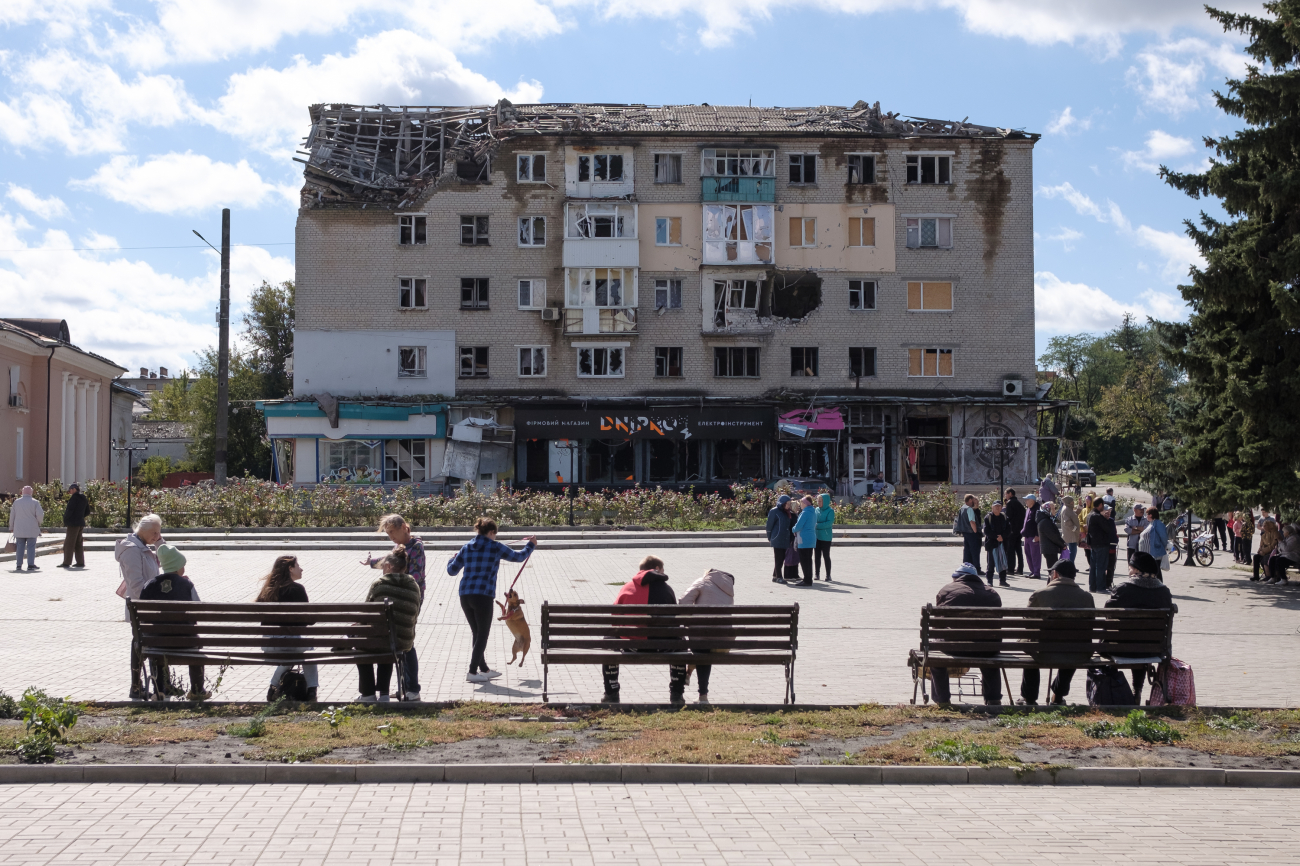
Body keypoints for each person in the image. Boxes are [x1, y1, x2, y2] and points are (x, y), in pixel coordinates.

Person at [446, 517, 537, 683]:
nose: (495, 537)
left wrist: (452, 559)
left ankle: (484, 669)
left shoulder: (467, 547)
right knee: (483, 634)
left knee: (477, 632)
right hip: (483, 595)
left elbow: (451, 571)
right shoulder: (495, 547)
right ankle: (472, 672)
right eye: (495, 534)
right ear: (491, 532)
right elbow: (519, 557)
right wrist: (531, 545)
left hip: (465, 595)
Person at [604, 555, 687, 705]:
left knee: (610, 640)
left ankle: (611, 692)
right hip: (663, 647)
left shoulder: (627, 587)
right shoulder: (667, 589)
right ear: (657, 569)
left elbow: (614, 618)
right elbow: (674, 619)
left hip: (632, 646)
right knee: (680, 642)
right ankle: (676, 694)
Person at [364, 514, 427, 701]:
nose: (391, 537)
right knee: (398, 640)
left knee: (406, 641)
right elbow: (391, 560)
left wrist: (394, 583)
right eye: (388, 533)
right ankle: (405, 687)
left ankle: (412, 688)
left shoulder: (416, 547)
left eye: (392, 532)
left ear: (404, 528)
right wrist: (372, 562)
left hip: (409, 598)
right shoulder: (400, 547)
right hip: (396, 597)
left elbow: (412, 575)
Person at [138, 544, 209, 701]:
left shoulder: (150, 585)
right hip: (186, 641)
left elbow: (143, 615)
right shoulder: (186, 584)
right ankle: (197, 689)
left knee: (157, 649)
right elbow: (198, 609)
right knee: (195, 648)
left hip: (156, 642)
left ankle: (160, 690)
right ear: (178, 566)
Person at [1020, 559, 1094, 705]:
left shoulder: (1039, 595)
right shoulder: (1087, 597)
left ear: (1054, 574)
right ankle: (1058, 695)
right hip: (1076, 652)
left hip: (1042, 651)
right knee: (1074, 644)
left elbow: (1028, 622)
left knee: (1029, 644)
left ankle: (1029, 698)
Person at [1105, 550, 1176, 700]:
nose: (1129, 571)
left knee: (1128, 640)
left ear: (1137, 569)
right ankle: (1137, 690)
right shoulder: (1164, 592)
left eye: (1130, 567)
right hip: (1153, 649)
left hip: (1120, 648)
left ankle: (1112, 689)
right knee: (1141, 643)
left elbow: (1108, 613)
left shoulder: (1123, 589)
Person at [931, 563, 1003, 706]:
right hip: (987, 649)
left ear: (956, 578)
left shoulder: (946, 590)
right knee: (988, 649)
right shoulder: (992, 594)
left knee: (936, 653)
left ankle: (942, 700)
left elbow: (938, 624)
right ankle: (993, 699)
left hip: (954, 647)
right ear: (976, 578)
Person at [355, 548, 421, 702]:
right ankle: (384, 694)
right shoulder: (414, 585)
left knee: (364, 644)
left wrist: (358, 627)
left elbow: (367, 611)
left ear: (390, 567)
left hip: (382, 640)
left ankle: (368, 694)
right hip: (403, 641)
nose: (382, 569)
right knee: (389, 641)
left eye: (383, 565)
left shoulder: (380, 584)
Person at [255, 555, 320, 702]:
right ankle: (311, 691)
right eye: (298, 566)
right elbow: (307, 621)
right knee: (306, 651)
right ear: (290, 569)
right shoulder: (297, 589)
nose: (301, 569)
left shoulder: (267, 591)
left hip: (268, 645)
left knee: (294, 651)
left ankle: (272, 689)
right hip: (290, 643)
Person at [116, 513, 164, 699]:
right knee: (140, 644)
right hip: (141, 607)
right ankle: (136, 685)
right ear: (142, 531)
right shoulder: (132, 550)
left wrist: (159, 543)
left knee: (147, 644)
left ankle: (158, 685)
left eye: (159, 533)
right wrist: (150, 602)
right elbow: (135, 584)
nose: (156, 536)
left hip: (150, 605)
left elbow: (166, 559)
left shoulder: (145, 546)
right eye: (154, 533)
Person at [677, 567, 735, 703]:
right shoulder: (729, 591)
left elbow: (683, 602)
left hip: (701, 636)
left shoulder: (702, 582)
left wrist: (690, 620)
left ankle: (690, 680)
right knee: (704, 651)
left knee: (700, 645)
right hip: (724, 641)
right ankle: (702, 695)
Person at [8, 485, 44, 572]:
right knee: (31, 547)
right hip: (32, 528)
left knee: (20, 547)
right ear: (31, 492)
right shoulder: (35, 502)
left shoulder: (17, 502)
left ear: (22, 492)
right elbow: (40, 515)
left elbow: (12, 516)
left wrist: (11, 527)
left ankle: (18, 565)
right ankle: (31, 564)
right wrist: (39, 523)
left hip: (19, 528)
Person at [1084, 499, 1112, 593]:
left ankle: (1092, 587)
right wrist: (1106, 519)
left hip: (1093, 544)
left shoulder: (1090, 514)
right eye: (1103, 505)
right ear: (1100, 505)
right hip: (1101, 544)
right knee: (1101, 566)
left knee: (1093, 566)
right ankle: (1100, 587)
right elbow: (1107, 529)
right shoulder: (1098, 516)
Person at [765, 495, 794, 583]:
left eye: (789, 504)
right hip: (777, 537)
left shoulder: (787, 512)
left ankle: (775, 575)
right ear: (782, 503)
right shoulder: (774, 511)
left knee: (782, 558)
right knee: (778, 558)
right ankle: (779, 577)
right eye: (787, 503)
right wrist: (769, 537)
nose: (788, 505)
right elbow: (769, 525)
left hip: (785, 538)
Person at [60, 483, 89, 569]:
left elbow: (70, 510)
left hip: (73, 524)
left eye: (70, 490)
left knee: (69, 543)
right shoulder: (83, 498)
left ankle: (66, 562)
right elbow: (87, 511)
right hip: (80, 523)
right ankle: (80, 562)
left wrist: (66, 519)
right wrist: (80, 517)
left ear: (74, 489)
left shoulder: (74, 498)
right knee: (78, 543)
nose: (70, 492)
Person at [983, 501, 1010, 586]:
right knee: (991, 564)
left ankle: (1002, 581)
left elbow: (1009, 529)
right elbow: (986, 530)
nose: (997, 508)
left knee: (1003, 562)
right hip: (992, 544)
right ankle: (989, 581)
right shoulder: (988, 517)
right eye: (996, 506)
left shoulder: (1005, 517)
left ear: (1002, 508)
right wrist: (996, 536)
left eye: (999, 506)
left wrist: (1003, 536)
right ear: (992, 507)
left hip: (1002, 543)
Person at [792, 495, 817, 586]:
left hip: (804, 539)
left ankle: (806, 580)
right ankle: (808, 578)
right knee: (808, 560)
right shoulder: (813, 512)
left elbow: (799, 525)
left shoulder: (805, 513)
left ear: (805, 504)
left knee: (804, 560)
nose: (800, 504)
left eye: (801, 502)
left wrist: (793, 529)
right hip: (811, 539)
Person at [1037, 501, 1066, 570]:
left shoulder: (1046, 519)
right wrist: (1062, 544)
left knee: (1053, 571)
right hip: (1049, 549)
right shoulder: (1045, 521)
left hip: (1050, 548)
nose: (1054, 510)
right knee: (1053, 571)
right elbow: (1053, 536)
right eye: (1052, 508)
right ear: (1047, 509)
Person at [1002, 488, 1026, 575]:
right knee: (1018, 549)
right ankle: (1020, 569)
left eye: (1006, 494)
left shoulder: (1010, 503)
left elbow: (1008, 517)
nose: (1005, 496)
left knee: (1010, 549)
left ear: (1010, 494)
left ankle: (1010, 568)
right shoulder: (1019, 503)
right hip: (1019, 529)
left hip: (1012, 530)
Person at [958, 494, 983, 573]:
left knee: (967, 551)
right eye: (972, 500)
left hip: (965, 532)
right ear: (970, 500)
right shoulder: (969, 509)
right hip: (972, 533)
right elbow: (972, 521)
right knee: (975, 551)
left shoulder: (962, 508)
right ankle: (977, 569)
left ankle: (966, 568)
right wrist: (976, 531)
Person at [814, 493, 835, 582]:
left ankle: (828, 575)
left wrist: (816, 526)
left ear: (825, 501)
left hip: (826, 537)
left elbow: (828, 523)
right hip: (816, 536)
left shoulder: (830, 511)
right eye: (817, 501)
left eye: (820, 501)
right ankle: (817, 574)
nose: (818, 503)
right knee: (816, 556)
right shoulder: (816, 510)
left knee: (826, 556)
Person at [1022, 493, 1042, 579]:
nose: (1026, 501)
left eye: (1027, 500)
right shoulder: (1028, 509)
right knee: (1028, 554)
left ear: (1032, 501)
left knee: (1035, 555)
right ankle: (1032, 571)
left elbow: (1040, 524)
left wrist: (1038, 535)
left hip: (1034, 536)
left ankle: (1036, 572)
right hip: (1027, 535)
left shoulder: (1038, 510)